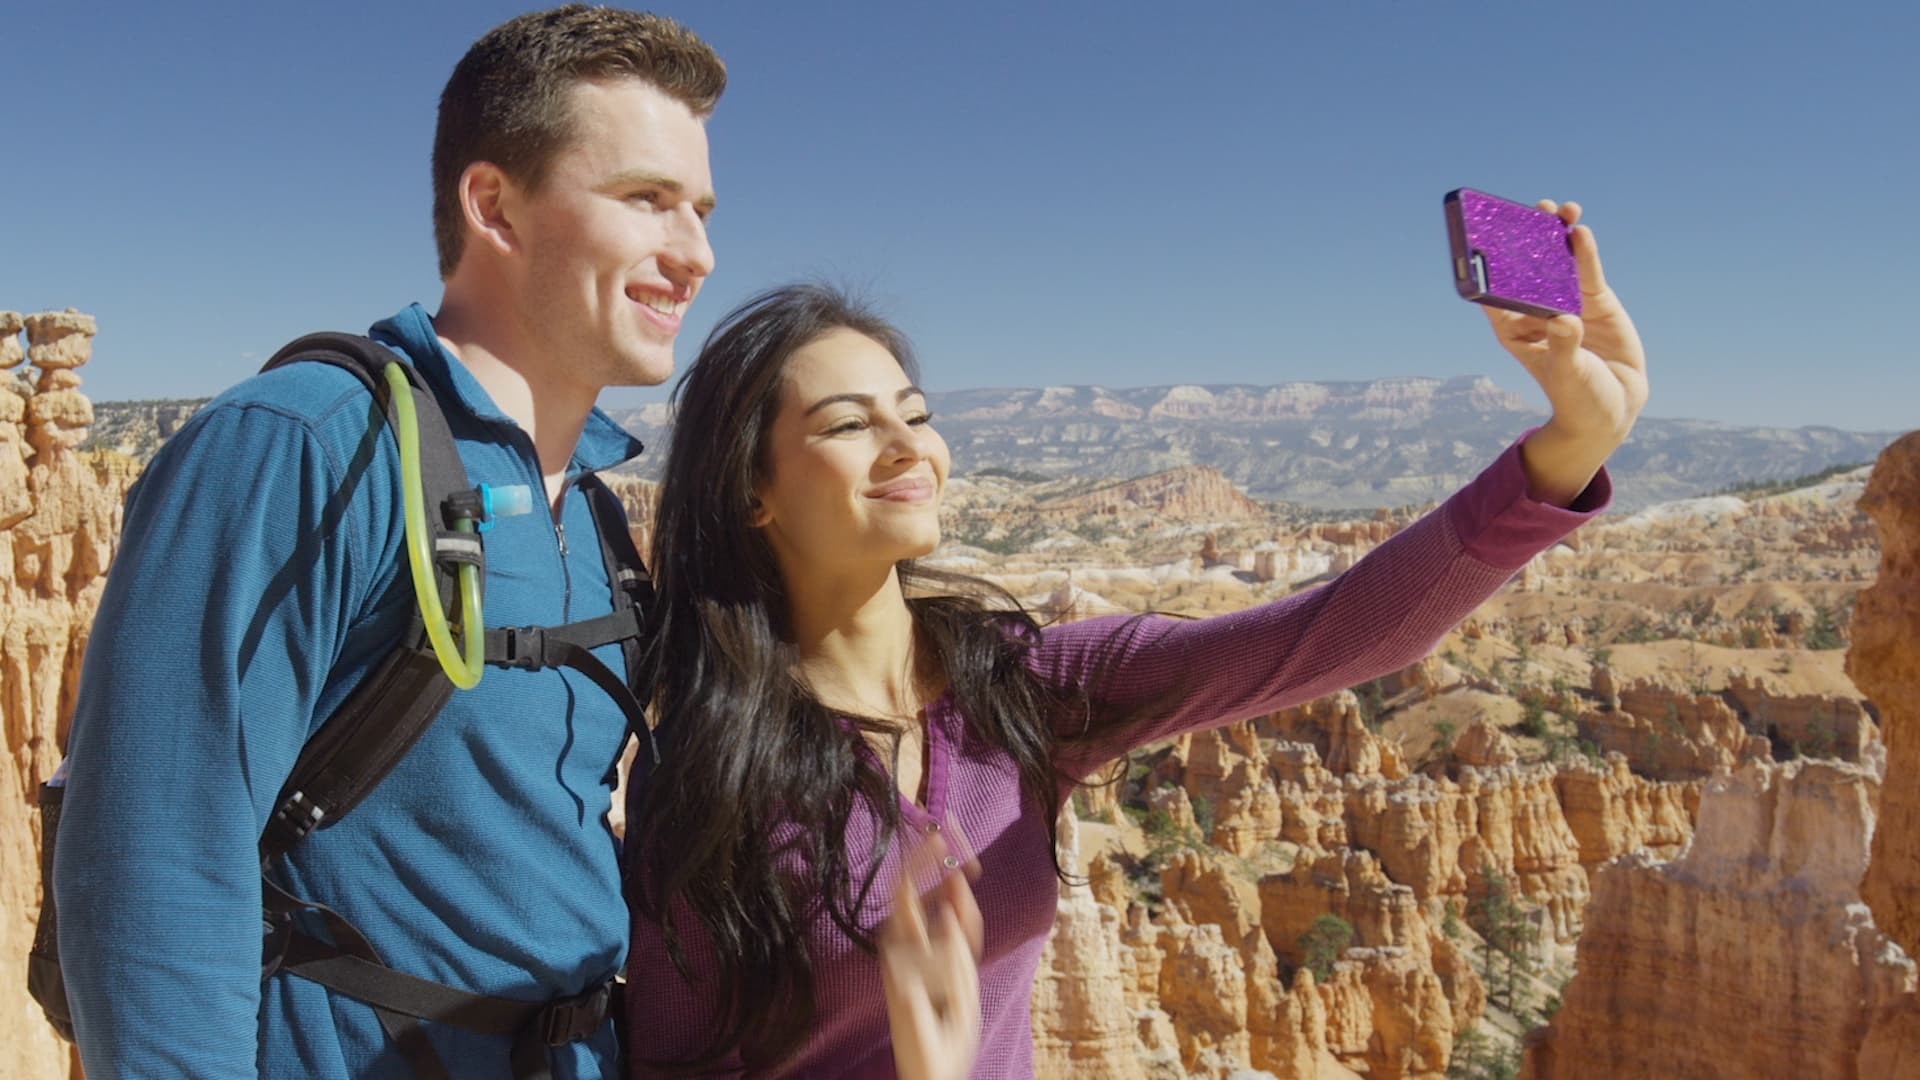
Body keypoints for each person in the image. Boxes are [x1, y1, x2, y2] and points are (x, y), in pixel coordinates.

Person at [623, 199, 1643, 1077]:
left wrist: (1570, 446)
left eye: (917, 413)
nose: (908, 448)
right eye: (850, 425)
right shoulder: (710, 782)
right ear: (752, 489)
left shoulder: (1025, 689)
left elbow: (1336, 636)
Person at [49, 7, 725, 1078]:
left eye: (699, 210)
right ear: (493, 205)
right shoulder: (308, 446)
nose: (695, 254)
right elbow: (152, 868)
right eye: (647, 201)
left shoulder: (592, 502)